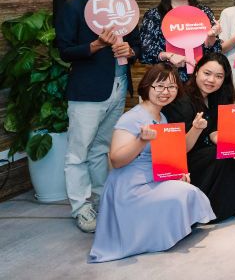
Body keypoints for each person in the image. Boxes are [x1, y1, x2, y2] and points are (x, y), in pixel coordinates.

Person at [88, 64, 215, 262]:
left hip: (153, 177)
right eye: (160, 86)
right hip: (130, 186)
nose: (166, 92)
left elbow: (179, 149)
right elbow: (116, 160)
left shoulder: (161, 117)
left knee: (189, 192)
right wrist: (141, 140)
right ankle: (145, 236)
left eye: (171, 87)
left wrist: (196, 128)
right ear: (147, 86)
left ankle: (156, 233)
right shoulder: (131, 118)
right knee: (182, 193)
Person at [56, 0, 141, 233]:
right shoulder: (74, 7)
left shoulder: (126, 5)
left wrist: (130, 51)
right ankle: (81, 208)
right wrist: (95, 45)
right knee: (78, 152)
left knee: (102, 149)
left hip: (119, 86)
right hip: (87, 91)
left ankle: (102, 198)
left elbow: (137, 44)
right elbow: (65, 50)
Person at [164, 53, 235, 220]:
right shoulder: (181, 99)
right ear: (197, 70)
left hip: (204, 151)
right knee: (218, 156)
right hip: (183, 159)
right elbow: (179, 148)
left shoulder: (216, 98)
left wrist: (232, 147)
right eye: (207, 73)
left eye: (219, 76)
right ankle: (210, 209)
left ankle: (230, 204)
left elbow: (214, 133)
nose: (211, 80)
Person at [139, 0, 221, 83]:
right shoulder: (154, 15)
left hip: (201, 80)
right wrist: (168, 56)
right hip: (167, 80)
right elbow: (145, 53)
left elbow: (215, 51)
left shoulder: (204, 12)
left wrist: (212, 36)